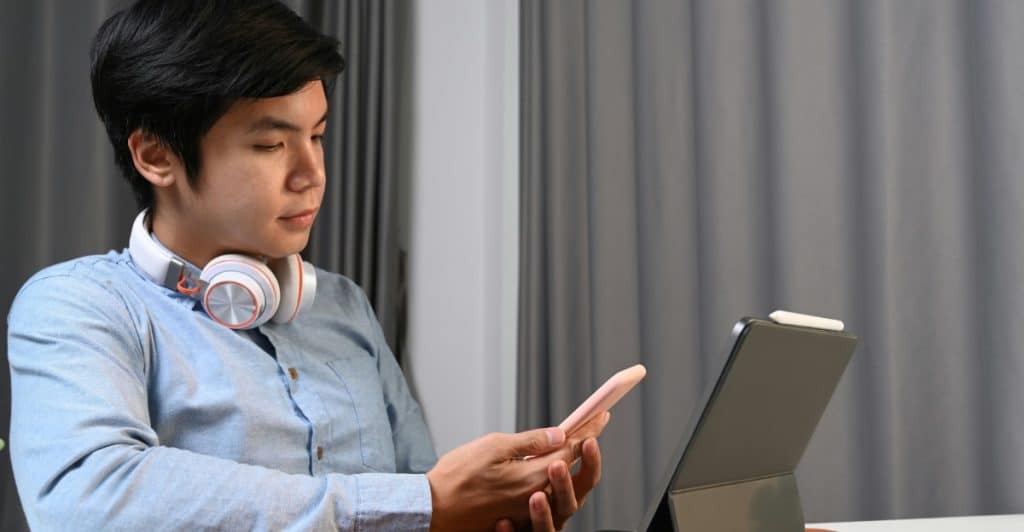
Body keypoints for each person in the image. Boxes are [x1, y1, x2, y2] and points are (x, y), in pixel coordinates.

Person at [5, 1, 606, 530]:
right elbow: (89, 503)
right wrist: (422, 504)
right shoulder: (77, 306)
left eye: (316, 136)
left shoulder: (344, 305)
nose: (312, 174)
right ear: (156, 155)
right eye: (271, 145)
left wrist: (484, 515)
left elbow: (423, 500)